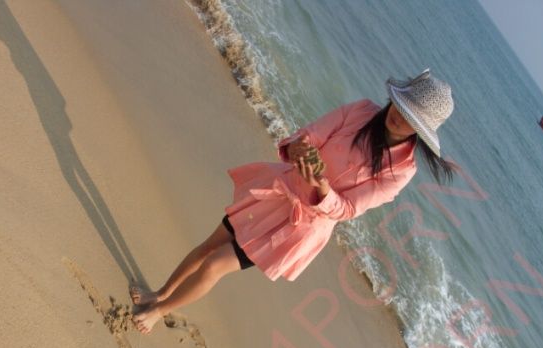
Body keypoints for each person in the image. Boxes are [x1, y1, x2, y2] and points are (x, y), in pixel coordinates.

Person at [131, 68, 459, 333]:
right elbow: (312, 134)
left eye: (410, 118)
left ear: (420, 131)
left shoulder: (402, 170)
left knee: (216, 264)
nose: (398, 117)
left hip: (297, 226)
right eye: (401, 106)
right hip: (278, 190)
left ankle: (160, 311)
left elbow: (348, 208)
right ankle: (160, 293)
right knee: (209, 245)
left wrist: (322, 188)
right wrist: (301, 146)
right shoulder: (361, 111)